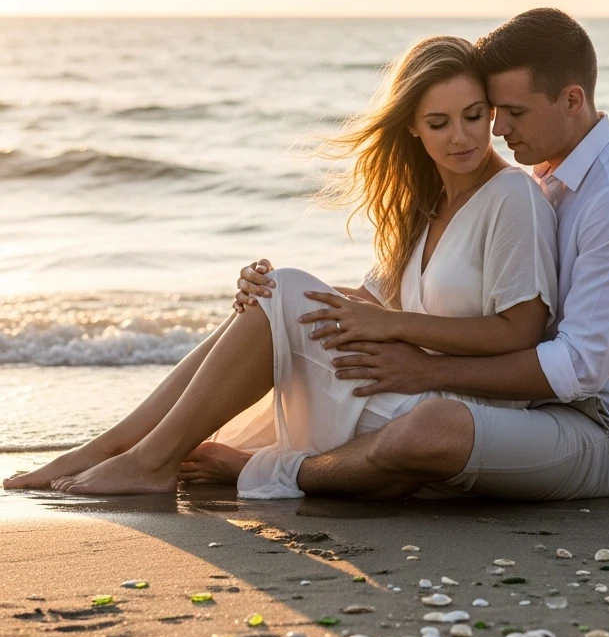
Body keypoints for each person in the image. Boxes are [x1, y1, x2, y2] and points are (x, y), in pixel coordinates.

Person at [4, 35, 558, 496]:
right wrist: (270, 296)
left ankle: (147, 460)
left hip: (455, 409)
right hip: (398, 381)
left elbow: (523, 330)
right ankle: (113, 447)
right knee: (276, 288)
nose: (460, 136)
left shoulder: (513, 196)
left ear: (490, 112)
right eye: (439, 122)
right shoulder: (424, 203)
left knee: (285, 292)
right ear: (411, 126)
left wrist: (387, 325)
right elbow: (375, 305)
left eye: (473, 116)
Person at [227, 7, 609, 502]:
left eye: (514, 111)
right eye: (493, 110)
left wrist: (428, 370)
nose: (497, 127)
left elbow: (578, 368)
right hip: (532, 410)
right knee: (281, 305)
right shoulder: (548, 180)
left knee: (432, 430)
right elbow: (392, 299)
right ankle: (143, 444)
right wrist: (282, 299)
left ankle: (273, 470)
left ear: (572, 99)